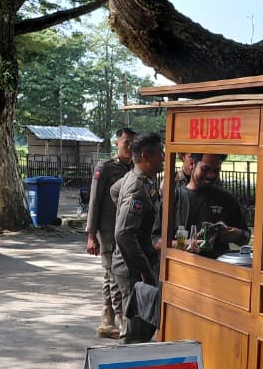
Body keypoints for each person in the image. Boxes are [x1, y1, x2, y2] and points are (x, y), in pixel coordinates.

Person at [111, 132, 165, 344]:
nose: (163, 157)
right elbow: (123, 233)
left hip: (139, 261)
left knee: (143, 327)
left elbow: (114, 191)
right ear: (146, 156)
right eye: (160, 153)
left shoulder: (140, 179)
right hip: (132, 268)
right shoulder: (136, 186)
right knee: (135, 332)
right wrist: (143, 269)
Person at [85, 127, 136, 338]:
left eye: (133, 143)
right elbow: (94, 201)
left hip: (125, 230)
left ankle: (107, 319)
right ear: (117, 143)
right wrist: (91, 235)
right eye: (126, 142)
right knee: (114, 274)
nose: (130, 147)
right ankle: (119, 316)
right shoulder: (105, 168)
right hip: (107, 231)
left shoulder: (134, 168)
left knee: (111, 274)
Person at [171, 153, 249, 259]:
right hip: (181, 269)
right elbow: (156, 241)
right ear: (192, 164)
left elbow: (246, 237)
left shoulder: (226, 198)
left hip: (217, 269)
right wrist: (183, 244)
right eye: (205, 169)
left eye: (216, 170)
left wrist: (237, 235)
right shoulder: (174, 198)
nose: (211, 175)